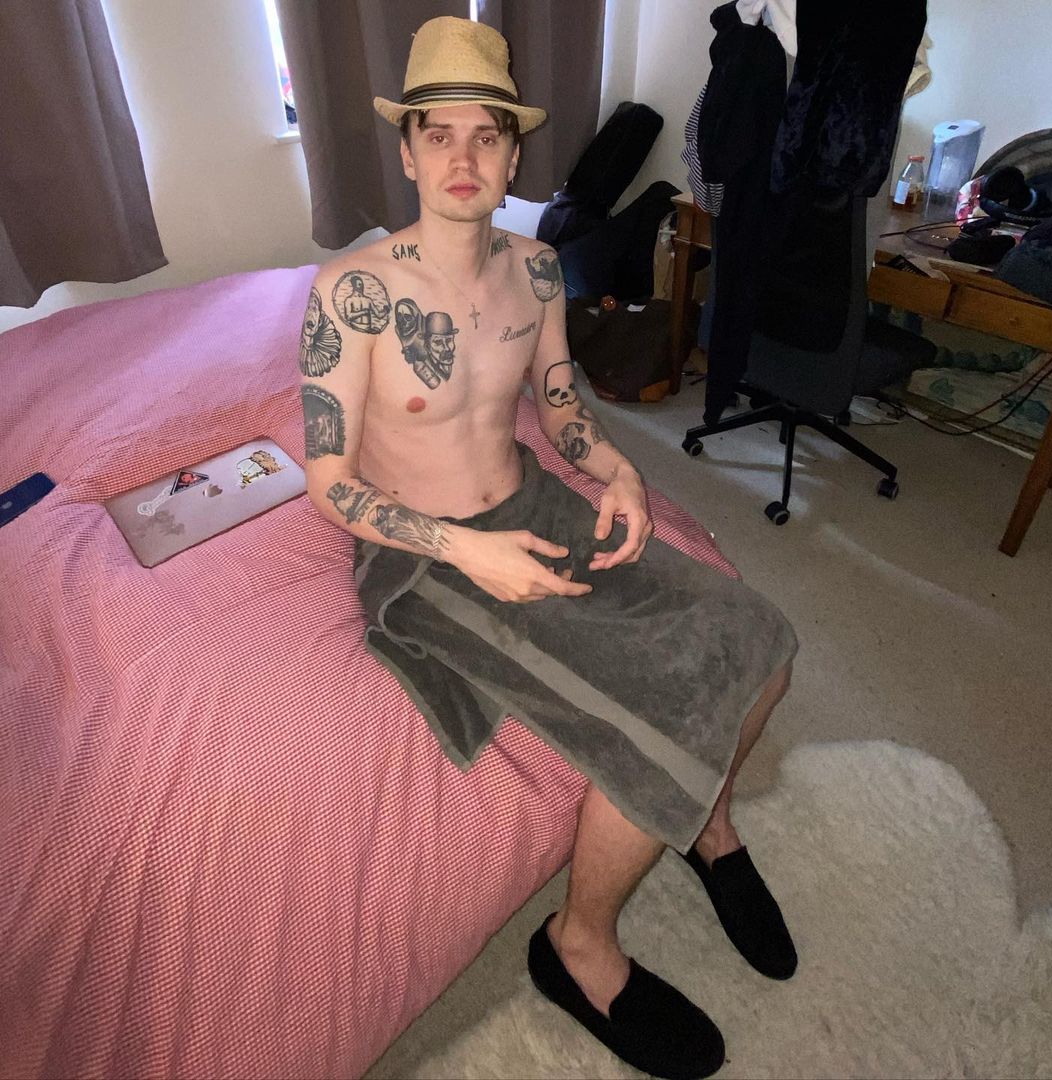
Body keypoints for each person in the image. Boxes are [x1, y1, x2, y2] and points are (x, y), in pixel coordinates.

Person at [298, 16, 798, 1079]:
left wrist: (615, 471)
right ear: (406, 152)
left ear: (514, 152)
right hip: (423, 558)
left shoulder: (535, 271)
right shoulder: (352, 294)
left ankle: (708, 827)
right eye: (439, 135)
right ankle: (576, 945)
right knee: (659, 712)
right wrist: (466, 552)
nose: (464, 157)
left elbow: (560, 399)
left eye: (487, 136)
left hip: (531, 500)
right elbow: (329, 483)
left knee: (763, 636)